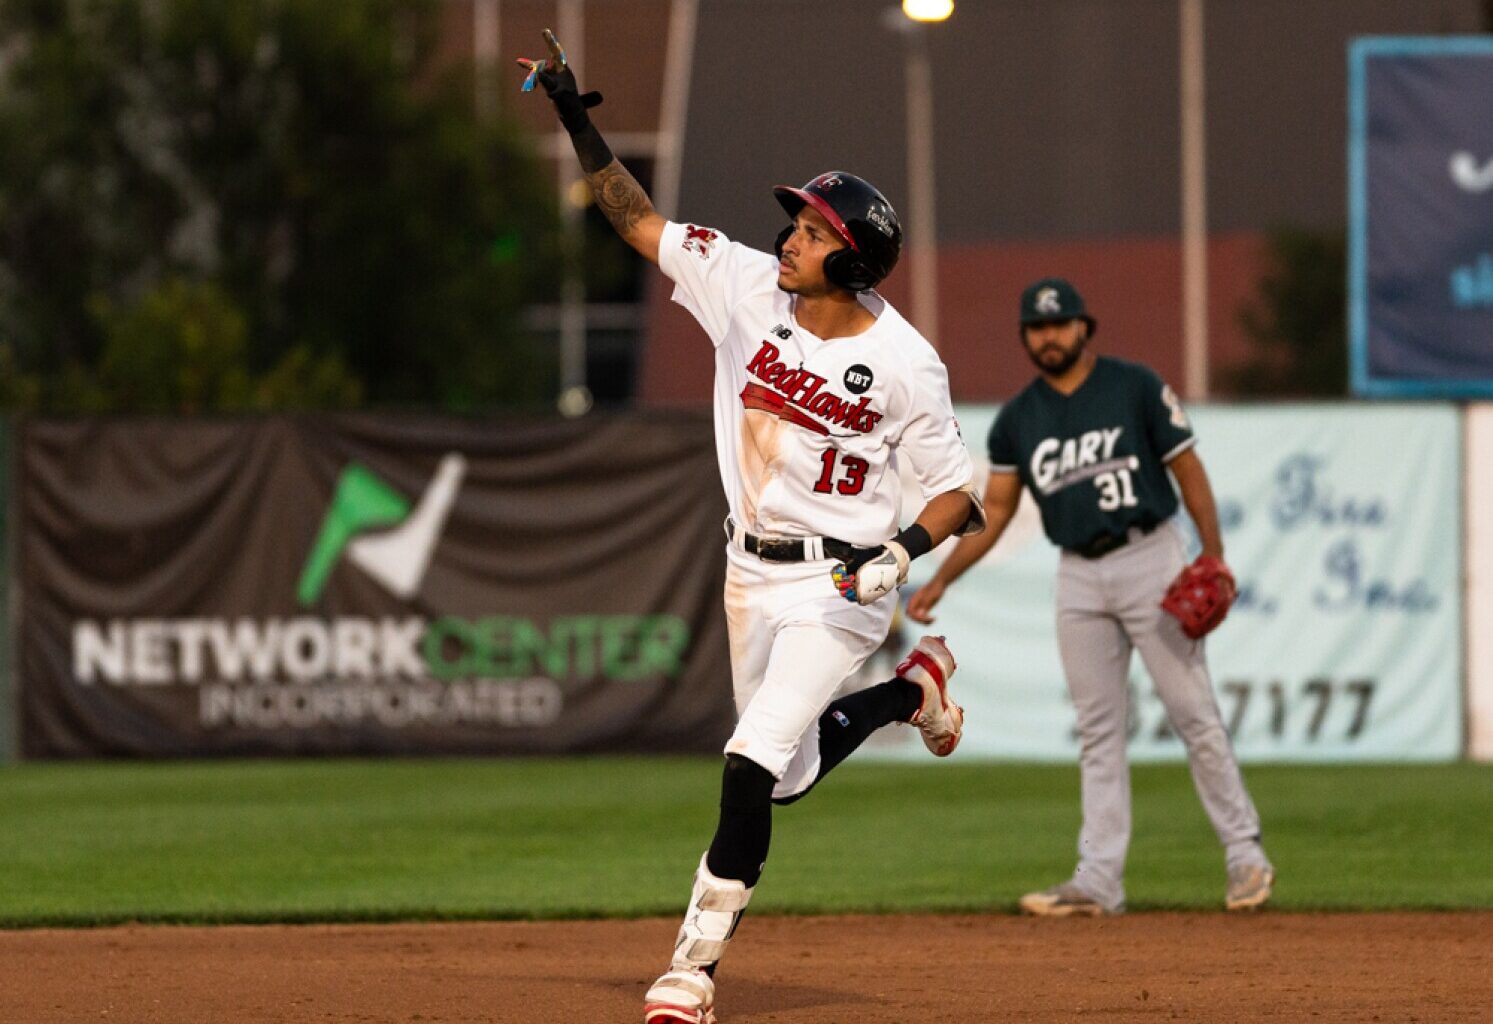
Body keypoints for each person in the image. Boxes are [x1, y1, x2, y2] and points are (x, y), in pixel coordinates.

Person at [518, 31, 985, 1024]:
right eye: (796, 222)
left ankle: (689, 969)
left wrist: (898, 551)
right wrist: (574, 116)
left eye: (811, 229)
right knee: (784, 775)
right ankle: (912, 693)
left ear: (850, 255)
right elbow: (634, 218)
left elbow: (960, 493)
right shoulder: (739, 284)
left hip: (839, 588)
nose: (789, 237)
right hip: (748, 575)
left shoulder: (904, 362)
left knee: (749, 763)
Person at [907, 277, 1274, 916]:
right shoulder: (1019, 420)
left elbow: (1190, 473)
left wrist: (1212, 555)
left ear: (1084, 327)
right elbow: (994, 509)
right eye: (1036, 327)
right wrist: (941, 578)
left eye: (1060, 323)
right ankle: (1099, 879)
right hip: (1078, 572)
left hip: (1150, 558)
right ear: (1026, 336)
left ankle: (1246, 855)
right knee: (1099, 731)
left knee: (1193, 712)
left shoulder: (1134, 386)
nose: (1048, 335)